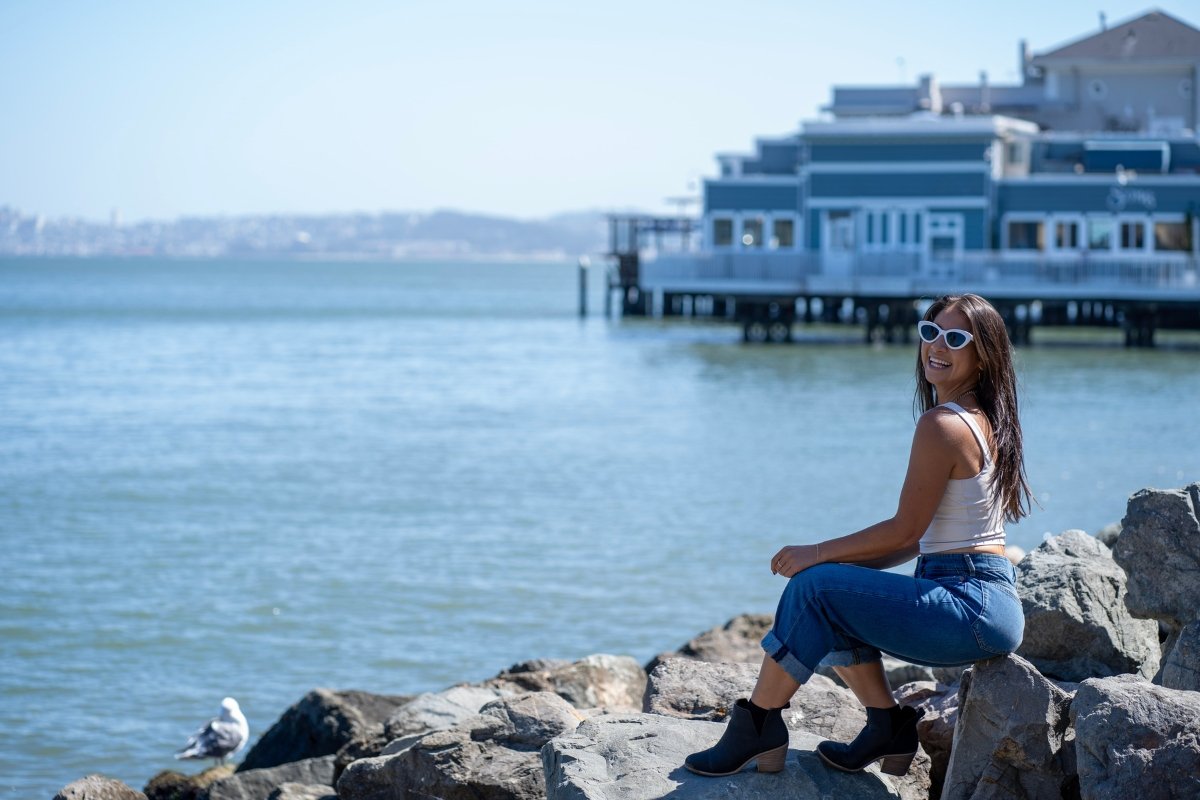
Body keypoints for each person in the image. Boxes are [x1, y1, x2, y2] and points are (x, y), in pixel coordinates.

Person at [685, 293, 1032, 779]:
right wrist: (832, 569)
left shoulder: (942, 425)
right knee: (829, 591)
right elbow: (915, 543)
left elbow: (905, 530)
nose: (936, 346)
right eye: (929, 331)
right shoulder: (982, 417)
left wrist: (817, 556)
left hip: (968, 602)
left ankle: (758, 723)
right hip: (987, 598)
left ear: (983, 356)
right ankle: (886, 724)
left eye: (956, 339)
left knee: (815, 589)